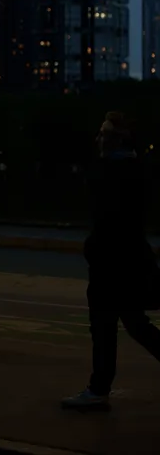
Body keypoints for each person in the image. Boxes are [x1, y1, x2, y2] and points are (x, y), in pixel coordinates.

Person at [62, 111, 160, 410]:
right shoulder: (137, 169)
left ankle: (98, 389)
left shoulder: (109, 172)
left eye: (103, 133)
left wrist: (93, 249)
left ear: (117, 139)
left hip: (110, 265)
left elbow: (105, 218)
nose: (98, 139)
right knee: (135, 324)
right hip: (130, 262)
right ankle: (98, 387)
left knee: (105, 327)